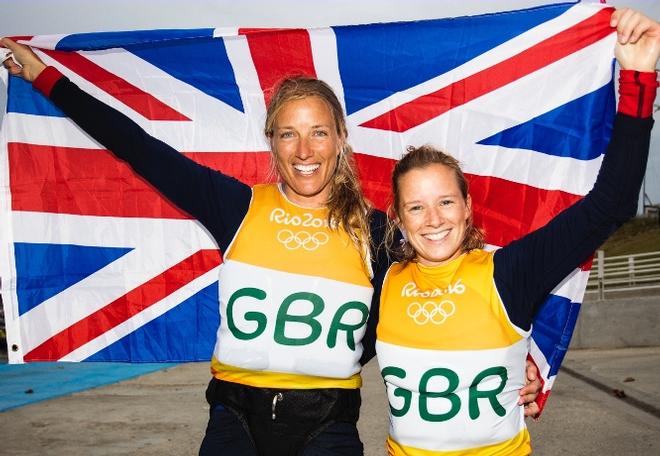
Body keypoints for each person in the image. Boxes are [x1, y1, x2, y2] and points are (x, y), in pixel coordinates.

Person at [1, 29, 541, 455]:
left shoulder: (376, 231)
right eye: (288, 133)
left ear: (340, 142)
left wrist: (521, 363)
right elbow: (139, 148)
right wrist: (48, 79)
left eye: (319, 132)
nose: (304, 149)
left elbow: (460, 279)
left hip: (327, 422)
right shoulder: (236, 208)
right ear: (272, 143)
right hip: (234, 416)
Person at [377, 8, 660, 455]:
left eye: (446, 202)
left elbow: (611, 204)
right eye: (417, 206)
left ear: (467, 208)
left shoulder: (509, 272)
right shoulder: (382, 281)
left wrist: (639, 78)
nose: (433, 219)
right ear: (397, 216)